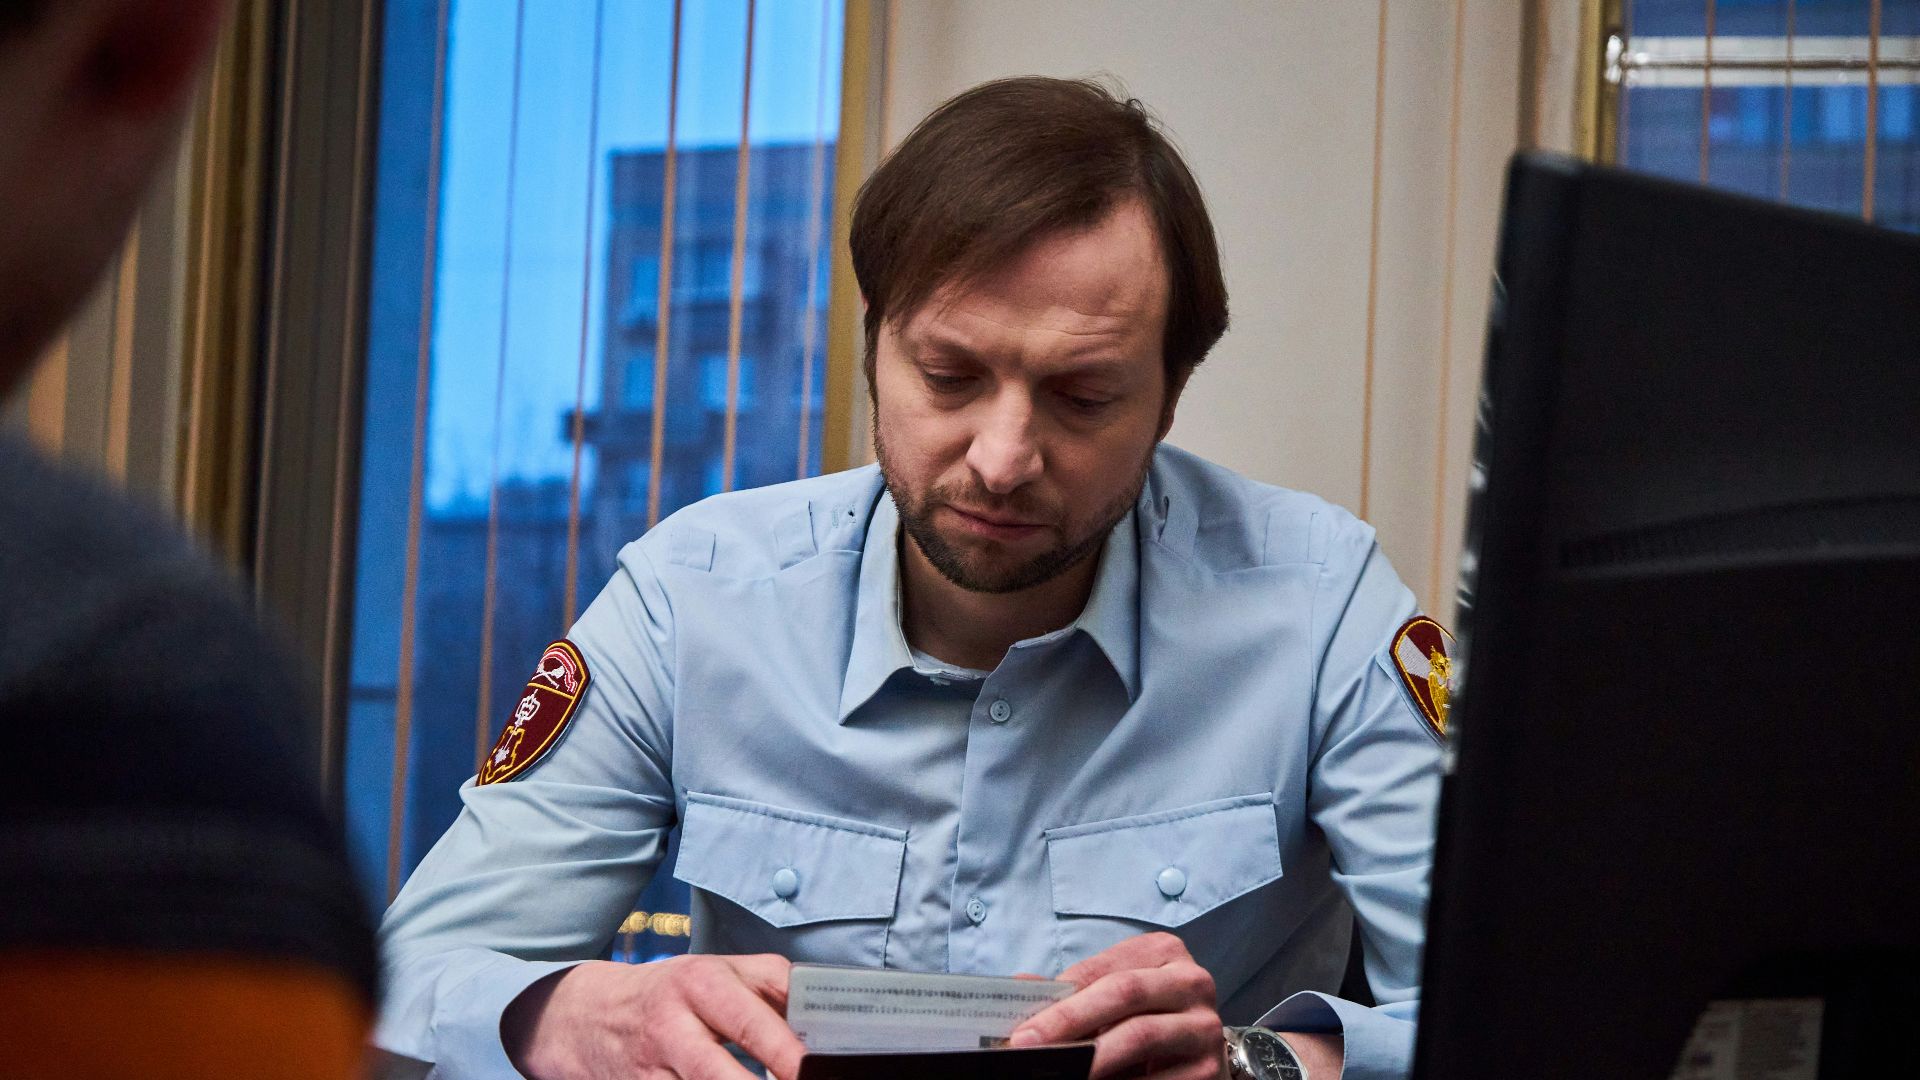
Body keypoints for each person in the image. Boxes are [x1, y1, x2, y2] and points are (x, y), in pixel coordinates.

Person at [378, 77, 1446, 1080]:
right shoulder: (690, 600)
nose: (1002, 455)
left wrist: (1259, 1064)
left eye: (1080, 397)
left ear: (1167, 402)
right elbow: (401, 988)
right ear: (873, 347)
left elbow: (1529, 1017)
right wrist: (562, 1014)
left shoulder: (1319, 607)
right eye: (949, 376)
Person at [0, 2, 379, 1075]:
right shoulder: (104, 691)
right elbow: (456, 944)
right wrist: (554, 999)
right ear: (157, 40)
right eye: (909, 371)